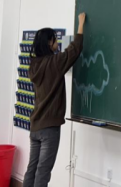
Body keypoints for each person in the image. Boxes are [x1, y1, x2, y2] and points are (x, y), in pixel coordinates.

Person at [24, 12, 86, 187]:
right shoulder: (54, 63)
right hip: (49, 128)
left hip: (35, 125)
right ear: (49, 43)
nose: (58, 43)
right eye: (55, 40)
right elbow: (74, 50)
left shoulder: (33, 65)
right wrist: (81, 25)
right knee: (43, 172)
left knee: (32, 169)